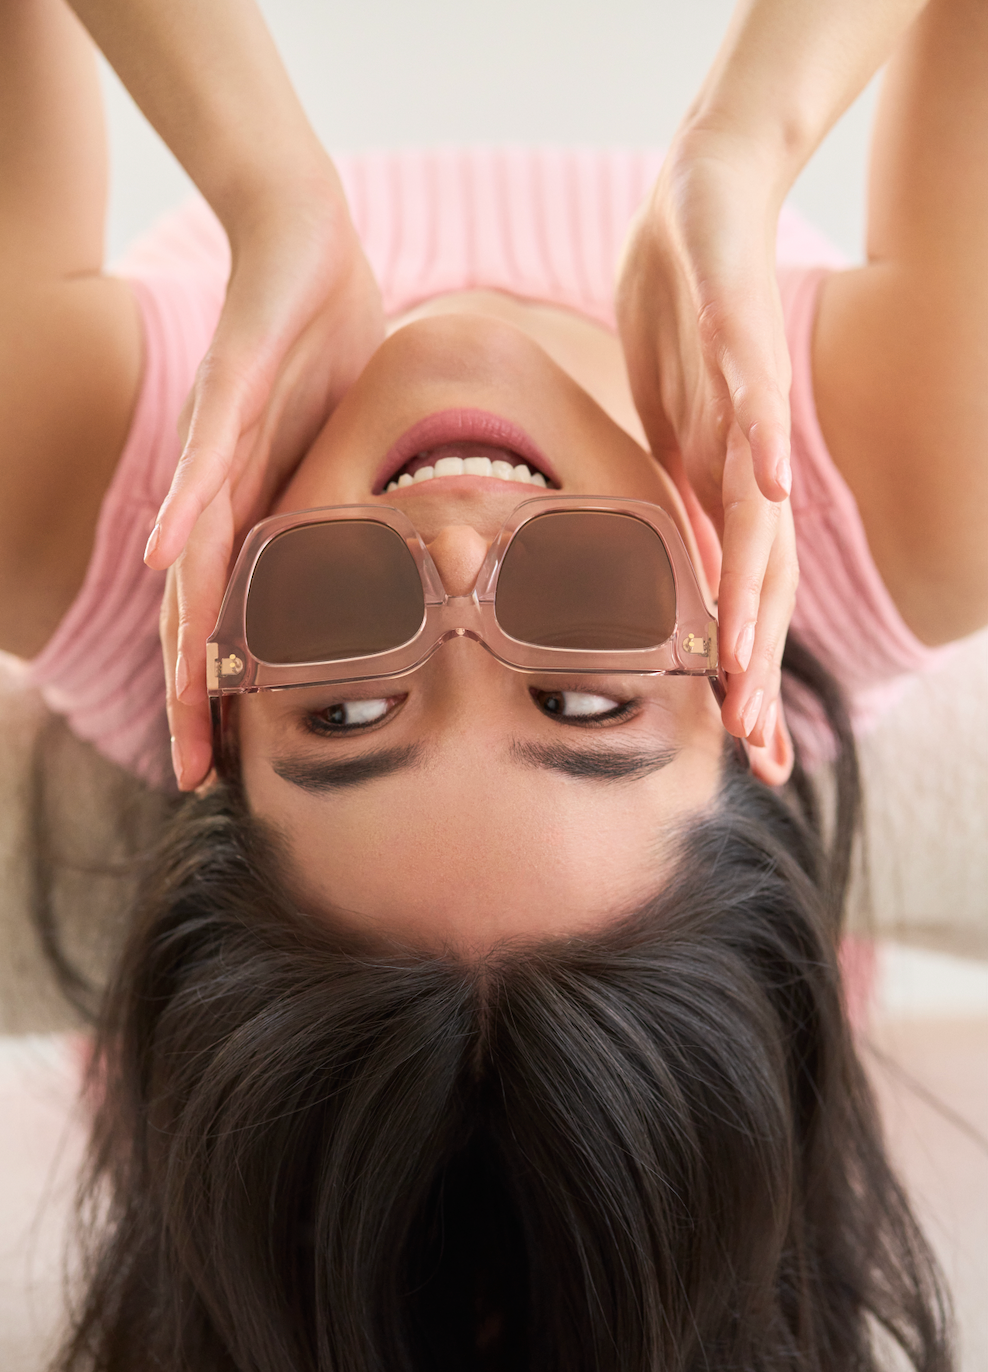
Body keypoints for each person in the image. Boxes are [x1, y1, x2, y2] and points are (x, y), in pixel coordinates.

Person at [1, 0, 983, 1364]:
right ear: (739, 702)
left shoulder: (96, 502)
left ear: (210, 711)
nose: (455, 546)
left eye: (346, 706)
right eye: (582, 699)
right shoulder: (906, 485)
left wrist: (263, 180)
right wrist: (745, 144)